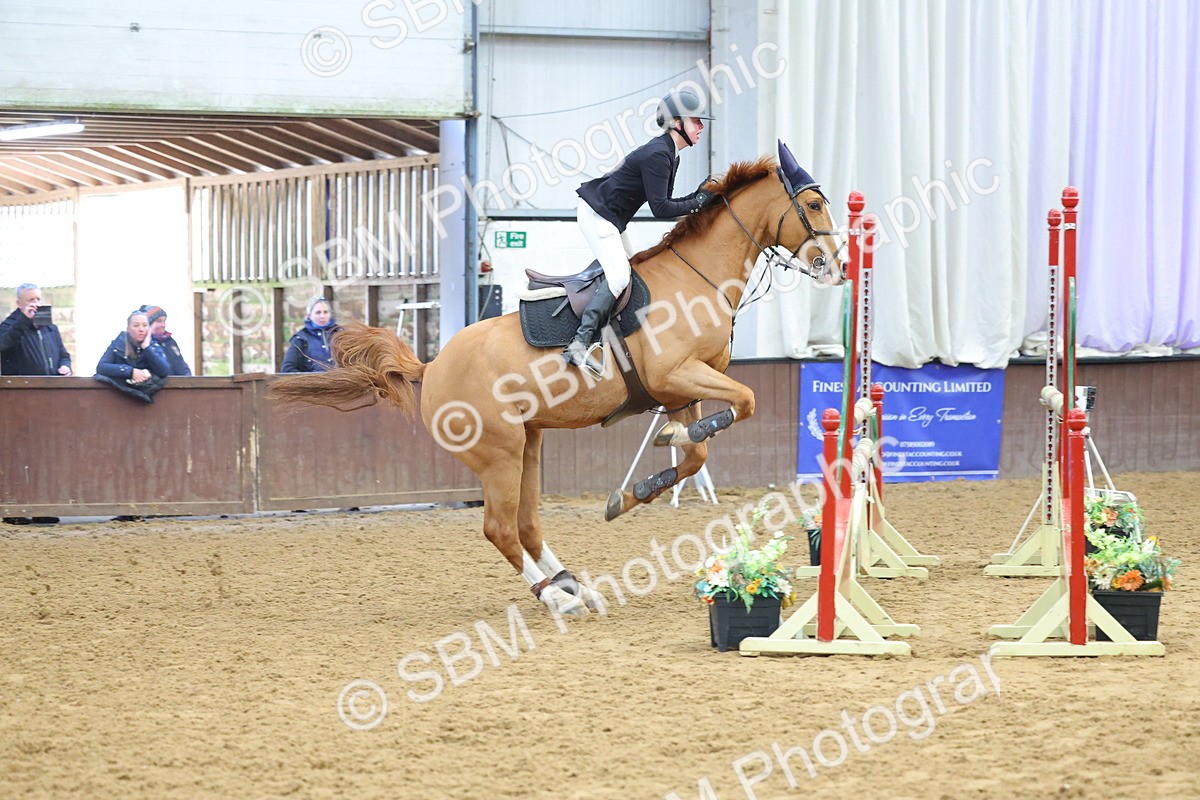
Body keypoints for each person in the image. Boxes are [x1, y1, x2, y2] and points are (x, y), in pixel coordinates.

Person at [566, 89, 720, 376]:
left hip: (611, 218)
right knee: (619, 276)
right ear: (677, 123)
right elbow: (661, 210)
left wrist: (699, 198)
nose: (701, 126)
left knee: (635, 267)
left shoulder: (670, 154)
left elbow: (668, 203)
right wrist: (700, 201)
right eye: (695, 120)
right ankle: (579, 343)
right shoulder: (659, 154)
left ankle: (618, 339)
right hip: (597, 215)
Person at [94, 309, 171, 404]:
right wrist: (131, 372)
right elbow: (102, 367)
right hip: (119, 398)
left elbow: (164, 371)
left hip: (145, 402)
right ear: (128, 328)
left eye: (145, 325)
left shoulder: (153, 345)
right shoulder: (119, 344)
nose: (141, 329)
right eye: (136, 325)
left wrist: (147, 348)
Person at [0, 283, 72, 376]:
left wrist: (65, 366)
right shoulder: (9, 325)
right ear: (19, 303)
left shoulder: (50, 328)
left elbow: (64, 356)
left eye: (38, 299)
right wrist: (24, 320)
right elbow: (3, 344)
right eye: (31, 300)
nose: (36, 303)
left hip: (51, 385)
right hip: (21, 387)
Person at [281, 297, 340, 373]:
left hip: (339, 382)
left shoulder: (341, 334)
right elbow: (287, 368)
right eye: (318, 312)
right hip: (311, 383)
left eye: (325, 312)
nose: (322, 316)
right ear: (309, 315)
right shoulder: (301, 338)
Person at [139, 305, 192, 376]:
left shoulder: (169, 341)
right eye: (159, 321)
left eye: (164, 321)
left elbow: (181, 363)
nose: (163, 325)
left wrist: (188, 379)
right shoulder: (144, 343)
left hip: (180, 383)